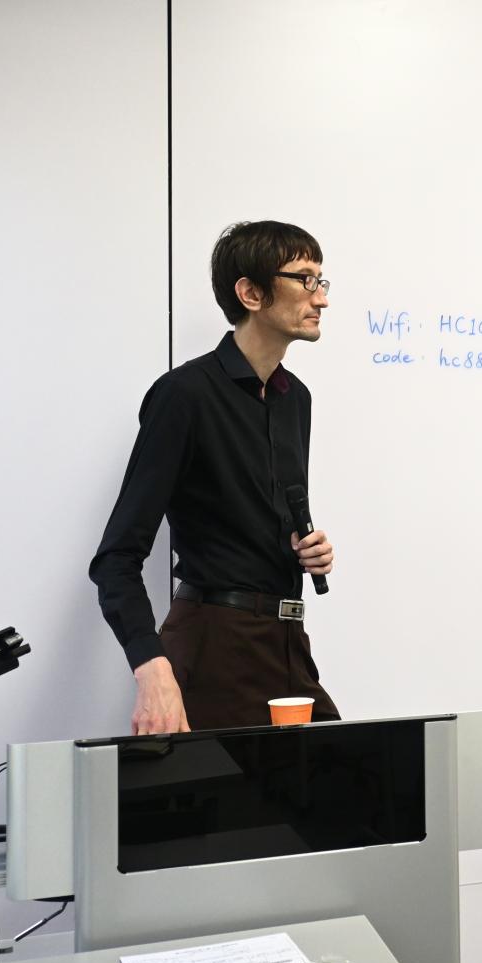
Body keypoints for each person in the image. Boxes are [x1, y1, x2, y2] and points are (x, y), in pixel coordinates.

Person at [90, 220, 340, 734]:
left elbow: (248, 518)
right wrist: (151, 667)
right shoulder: (185, 395)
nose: (321, 298)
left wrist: (301, 548)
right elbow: (116, 560)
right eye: (304, 280)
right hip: (213, 646)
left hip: (287, 643)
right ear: (251, 293)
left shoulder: (296, 399)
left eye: (321, 281)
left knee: (352, 774)